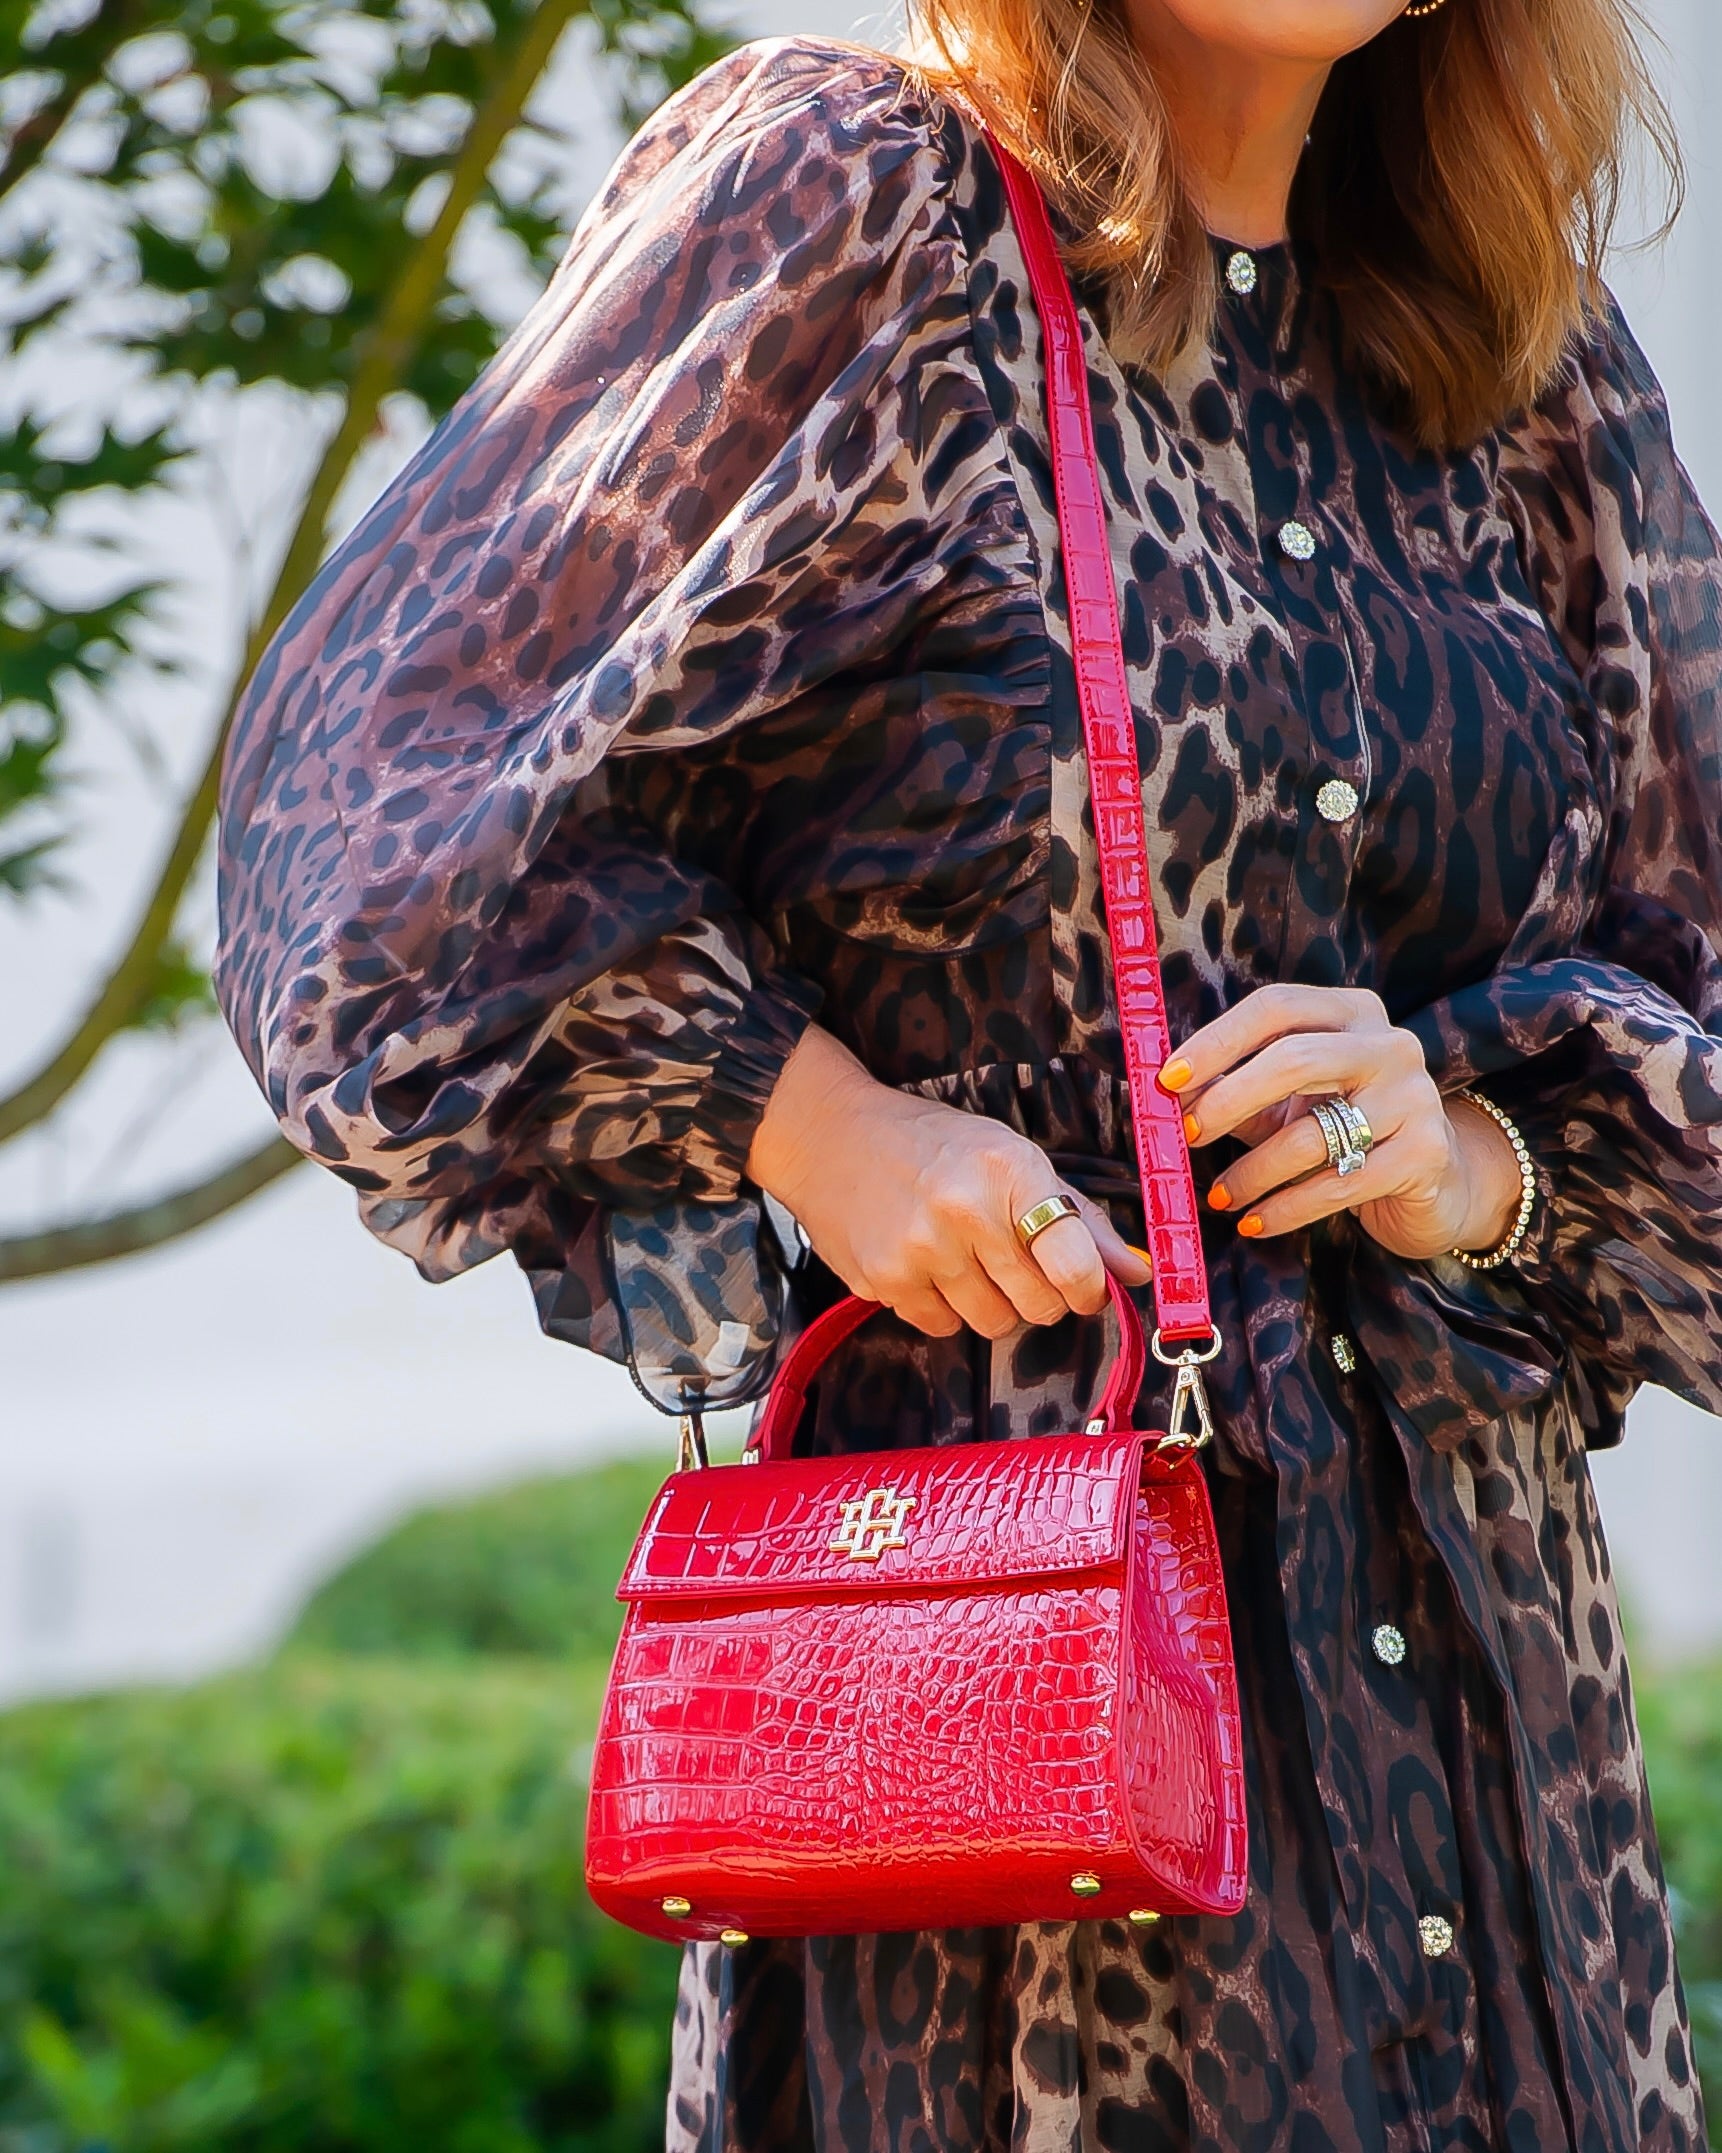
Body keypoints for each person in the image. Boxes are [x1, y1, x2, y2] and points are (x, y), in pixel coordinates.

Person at [213, 0, 1722, 2142]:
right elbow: (361, 849)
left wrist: (1481, 1153)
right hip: (1009, 1753)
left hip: (1504, 1794)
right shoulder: (863, 211)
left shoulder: (1521, 366)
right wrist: (813, 1126)